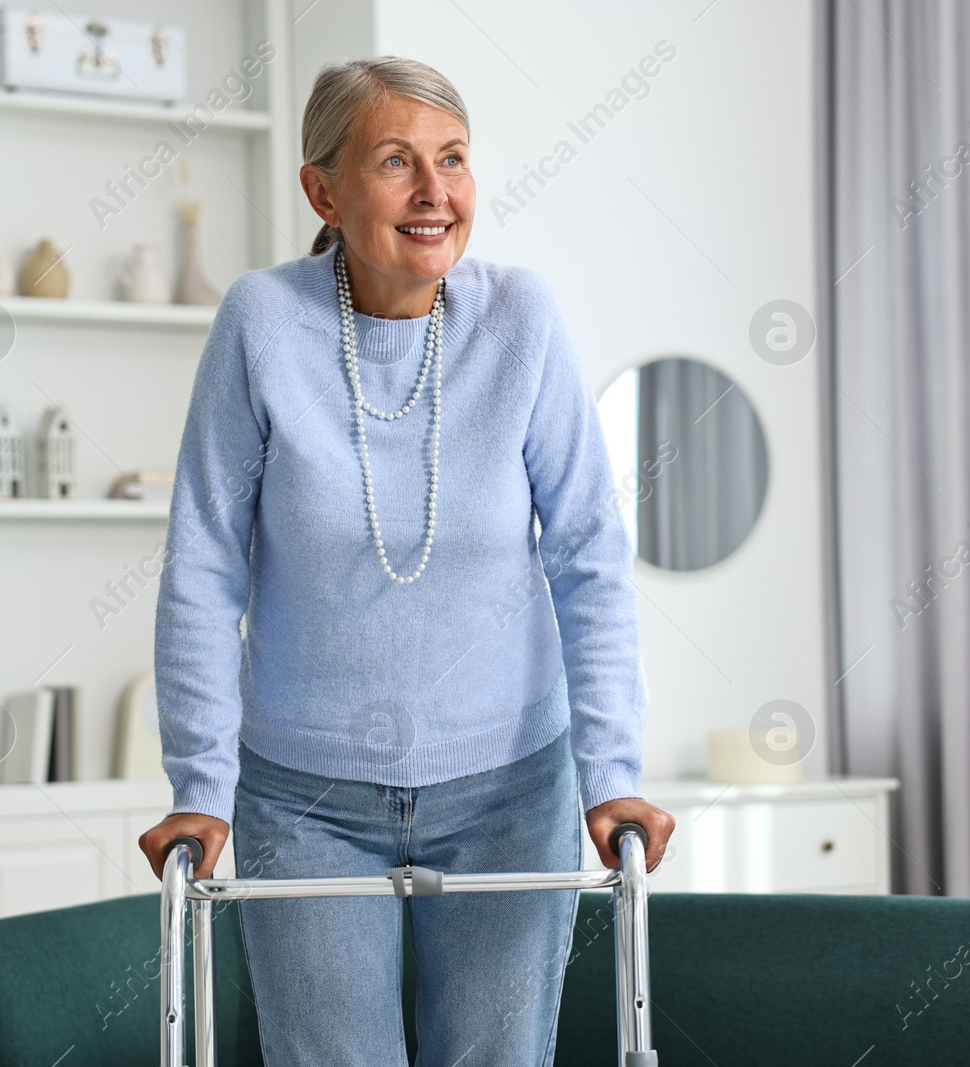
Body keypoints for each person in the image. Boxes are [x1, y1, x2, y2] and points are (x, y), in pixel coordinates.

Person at [136, 55, 674, 1066]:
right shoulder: (261, 321)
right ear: (322, 189)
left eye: (454, 160)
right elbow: (203, 568)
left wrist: (611, 775)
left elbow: (587, 555)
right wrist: (199, 783)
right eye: (396, 161)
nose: (436, 193)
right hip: (305, 796)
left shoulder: (521, 318)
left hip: (511, 787)